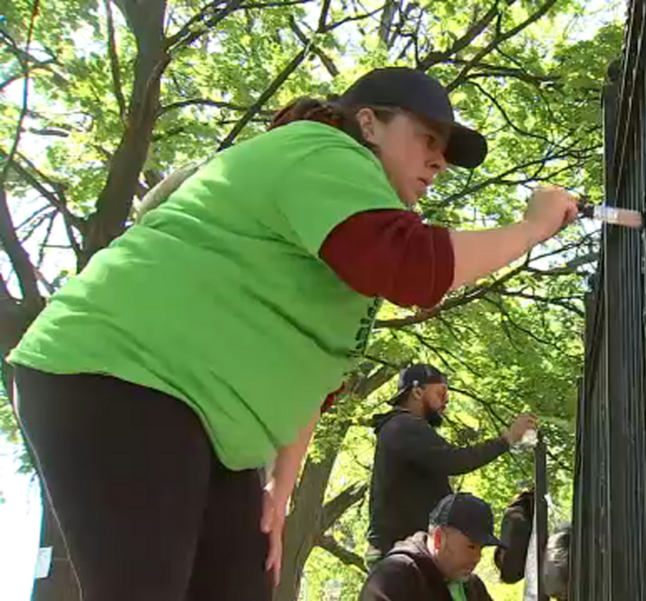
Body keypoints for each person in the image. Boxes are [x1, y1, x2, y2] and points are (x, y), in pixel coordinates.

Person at [9, 66, 578, 600]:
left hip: (204, 420)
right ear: (368, 123)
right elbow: (412, 266)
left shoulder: (347, 250)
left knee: (244, 578)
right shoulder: (323, 152)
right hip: (118, 373)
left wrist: (280, 490)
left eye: (446, 155)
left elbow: (313, 375)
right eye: (428, 140)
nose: (439, 163)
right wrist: (532, 227)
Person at [366, 364, 536, 565]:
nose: (446, 400)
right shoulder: (403, 426)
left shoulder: (402, 428)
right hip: (399, 553)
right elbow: (454, 460)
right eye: (440, 392)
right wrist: (506, 439)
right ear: (418, 392)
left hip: (404, 550)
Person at [360, 492, 499, 600]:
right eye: (471, 547)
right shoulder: (394, 577)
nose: (477, 558)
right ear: (439, 538)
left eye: (481, 548)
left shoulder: (473, 587)